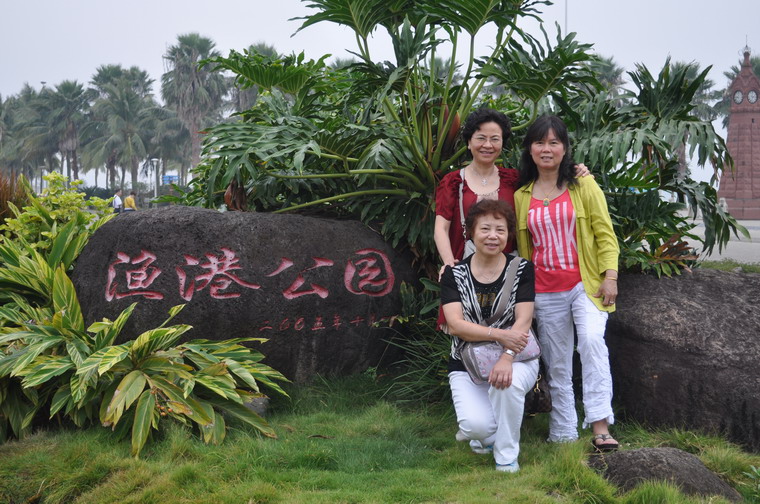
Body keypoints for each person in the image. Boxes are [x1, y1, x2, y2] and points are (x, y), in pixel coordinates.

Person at [513, 115, 620, 451]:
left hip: (584, 285)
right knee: (557, 363)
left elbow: (605, 234)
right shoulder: (521, 195)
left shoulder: (582, 185)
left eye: (554, 142)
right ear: (530, 149)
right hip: (544, 290)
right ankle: (563, 433)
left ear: (565, 148)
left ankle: (600, 426)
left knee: (591, 342)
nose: (547, 149)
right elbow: (524, 248)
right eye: (539, 142)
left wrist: (611, 277)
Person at [441, 198, 539, 473]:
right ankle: (484, 435)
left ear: (509, 235)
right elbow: (455, 325)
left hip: (516, 356)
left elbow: (524, 319)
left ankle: (506, 456)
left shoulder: (522, 269)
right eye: (485, 229)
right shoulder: (454, 275)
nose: (493, 236)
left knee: (507, 384)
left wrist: (507, 357)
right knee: (475, 427)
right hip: (466, 360)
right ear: (471, 232)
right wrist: (499, 335)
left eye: (500, 230)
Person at [434, 108, 590, 276]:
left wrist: (574, 170)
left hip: (510, 274)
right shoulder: (453, 182)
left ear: (502, 143)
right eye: (481, 138)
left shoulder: (514, 180)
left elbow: (548, 184)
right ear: (469, 142)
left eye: (495, 139)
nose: (488, 145)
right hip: (465, 271)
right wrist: (449, 262)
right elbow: (441, 227)